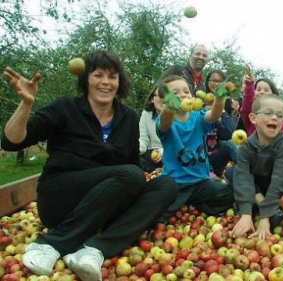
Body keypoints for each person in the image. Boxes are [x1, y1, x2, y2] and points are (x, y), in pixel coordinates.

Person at [1, 51, 179, 281]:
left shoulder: (127, 118)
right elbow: (12, 142)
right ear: (85, 79)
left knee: (167, 186)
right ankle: (50, 244)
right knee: (131, 175)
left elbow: (133, 169)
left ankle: (93, 249)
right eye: (98, 75)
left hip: (102, 208)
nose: (106, 82)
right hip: (60, 199)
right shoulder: (65, 108)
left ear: (119, 83)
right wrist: (26, 104)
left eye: (112, 76)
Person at [156, 75, 234, 222]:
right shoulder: (166, 120)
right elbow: (164, 124)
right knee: (157, 213)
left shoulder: (198, 116)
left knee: (228, 195)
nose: (182, 94)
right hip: (175, 183)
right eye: (175, 92)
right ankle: (188, 206)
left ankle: (195, 205)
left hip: (200, 182)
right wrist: (169, 107)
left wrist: (219, 99)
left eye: (186, 91)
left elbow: (214, 115)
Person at [229, 94, 283, 239]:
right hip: (257, 185)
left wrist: (264, 218)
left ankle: (265, 208)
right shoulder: (246, 146)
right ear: (253, 118)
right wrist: (245, 214)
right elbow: (244, 178)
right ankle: (261, 205)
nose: (275, 118)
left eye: (279, 115)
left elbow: (279, 181)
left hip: (278, 187)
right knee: (234, 173)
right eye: (268, 113)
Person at [204, 70, 238, 179]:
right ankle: (209, 173)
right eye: (213, 80)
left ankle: (250, 171)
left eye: (220, 81)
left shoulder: (227, 103)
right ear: (207, 82)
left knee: (230, 143)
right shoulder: (198, 101)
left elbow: (229, 134)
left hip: (216, 157)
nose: (217, 84)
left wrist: (220, 112)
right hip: (199, 158)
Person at [240, 66, 283, 136]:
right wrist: (250, 84)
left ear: (273, 93)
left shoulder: (279, 114)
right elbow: (247, 103)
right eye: (258, 89)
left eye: (266, 90)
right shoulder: (252, 110)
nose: (261, 92)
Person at [139, 85, 164, 172]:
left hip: (170, 152)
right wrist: (135, 148)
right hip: (152, 153)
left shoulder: (177, 115)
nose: (163, 99)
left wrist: (162, 151)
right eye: (160, 96)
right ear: (152, 99)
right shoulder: (146, 114)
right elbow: (143, 139)